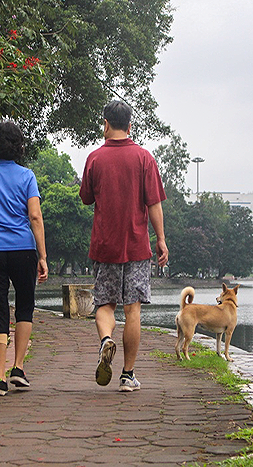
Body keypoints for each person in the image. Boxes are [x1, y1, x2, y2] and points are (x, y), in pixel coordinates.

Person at [79, 100, 169, 392]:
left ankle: (106, 340)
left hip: (105, 246)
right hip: (137, 247)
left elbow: (86, 198)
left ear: (105, 123)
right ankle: (127, 376)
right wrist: (161, 240)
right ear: (130, 125)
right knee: (133, 311)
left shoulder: (94, 158)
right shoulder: (144, 158)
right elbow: (153, 203)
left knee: (104, 304)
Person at [0, 120, 48, 396]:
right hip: (23, 249)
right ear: (19, 147)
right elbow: (35, 216)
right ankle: (19, 368)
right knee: (25, 306)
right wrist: (43, 256)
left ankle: (0, 379)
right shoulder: (27, 176)